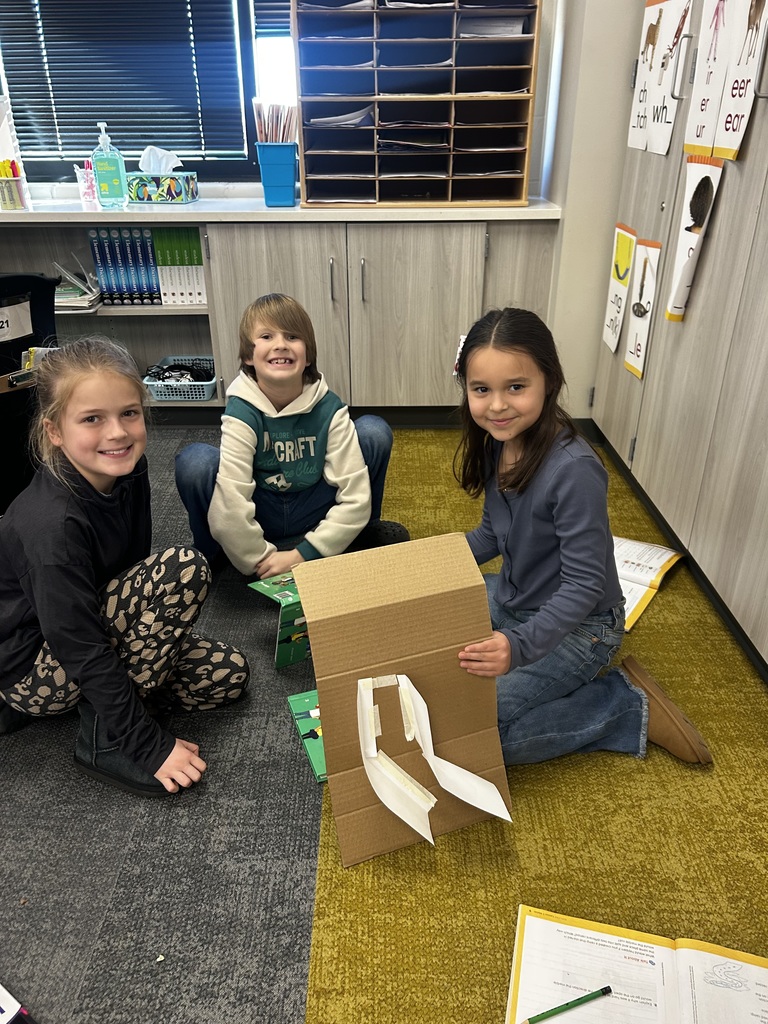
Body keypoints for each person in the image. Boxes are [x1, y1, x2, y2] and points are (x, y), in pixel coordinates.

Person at [453, 307, 713, 766]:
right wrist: (435, 561)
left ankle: (625, 707)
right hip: (516, 597)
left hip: (583, 626)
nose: (496, 405)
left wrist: (518, 646)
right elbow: (493, 533)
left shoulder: (574, 469)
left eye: (516, 387)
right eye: (481, 390)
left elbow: (584, 585)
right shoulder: (500, 440)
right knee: (436, 632)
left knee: (478, 734)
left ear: (548, 382)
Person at [0, 337, 250, 797]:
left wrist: (145, 647)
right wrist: (147, 744)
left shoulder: (127, 470)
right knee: (186, 568)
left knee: (227, 674)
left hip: (90, 625)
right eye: (92, 419)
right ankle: (105, 739)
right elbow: (76, 644)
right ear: (54, 430)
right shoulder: (51, 525)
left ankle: (112, 701)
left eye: (129, 413)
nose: (117, 433)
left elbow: (130, 572)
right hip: (34, 666)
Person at [175, 293, 408, 578]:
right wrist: (260, 560)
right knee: (195, 462)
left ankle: (356, 538)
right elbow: (231, 505)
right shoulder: (242, 410)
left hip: (313, 505)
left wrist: (301, 556)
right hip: (263, 509)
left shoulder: (328, 407)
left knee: (374, 432)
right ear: (248, 355)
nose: (280, 345)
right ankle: (213, 560)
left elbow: (356, 498)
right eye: (266, 336)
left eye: (292, 336)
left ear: (308, 355)